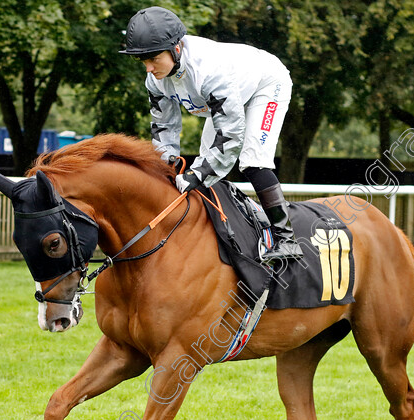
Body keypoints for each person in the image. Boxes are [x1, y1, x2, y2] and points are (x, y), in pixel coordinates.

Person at [120, 6, 303, 262]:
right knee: (201, 168)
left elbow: (230, 135)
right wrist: (164, 166)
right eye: (143, 61)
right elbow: (164, 128)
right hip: (221, 102)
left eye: (153, 59)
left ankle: (286, 239)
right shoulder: (155, 80)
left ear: (176, 48)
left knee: (252, 161)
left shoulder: (209, 72)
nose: (148, 68)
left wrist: (200, 173)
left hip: (266, 84)